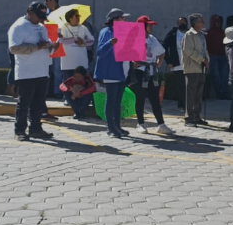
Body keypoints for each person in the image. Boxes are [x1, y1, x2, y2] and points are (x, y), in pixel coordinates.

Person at [7, 2, 58, 141]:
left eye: (43, 17)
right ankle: (19, 130)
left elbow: (45, 46)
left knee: (38, 103)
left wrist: (53, 47)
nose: (41, 20)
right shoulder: (18, 26)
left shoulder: (42, 27)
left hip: (42, 71)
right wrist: (36, 47)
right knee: (24, 103)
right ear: (29, 12)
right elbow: (14, 48)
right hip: (27, 72)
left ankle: (36, 128)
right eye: (39, 16)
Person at [131, 16, 173, 135]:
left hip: (151, 72)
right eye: (149, 25)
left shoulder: (152, 39)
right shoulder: (134, 39)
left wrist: (159, 62)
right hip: (140, 71)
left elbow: (162, 51)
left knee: (155, 98)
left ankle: (161, 124)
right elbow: (126, 53)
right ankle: (140, 124)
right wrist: (132, 62)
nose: (151, 27)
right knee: (140, 97)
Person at [95, 8, 129, 139]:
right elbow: (100, 52)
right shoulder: (106, 32)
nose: (125, 20)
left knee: (118, 100)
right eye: (122, 18)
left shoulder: (124, 31)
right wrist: (110, 43)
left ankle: (117, 126)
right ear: (114, 20)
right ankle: (110, 127)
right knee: (111, 100)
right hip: (111, 70)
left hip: (122, 70)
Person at [181, 13, 209, 126]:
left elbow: (205, 50)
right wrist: (202, 59)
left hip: (201, 68)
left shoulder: (201, 35)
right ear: (195, 23)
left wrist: (207, 60)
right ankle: (189, 118)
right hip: (192, 68)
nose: (203, 23)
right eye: (201, 21)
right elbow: (188, 50)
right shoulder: (189, 35)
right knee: (191, 94)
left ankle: (197, 116)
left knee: (199, 94)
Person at [58, 9, 95, 78]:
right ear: (70, 18)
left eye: (79, 16)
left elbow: (92, 40)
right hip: (68, 65)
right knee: (68, 84)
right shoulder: (64, 28)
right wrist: (75, 39)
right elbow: (62, 41)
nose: (79, 18)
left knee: (83, 83)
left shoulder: (83, 28)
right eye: (76, 16)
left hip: (81, 64)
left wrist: (83, 43)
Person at [162, 17, 188, 110]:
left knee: (188, 85)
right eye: (180, 22)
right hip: (177, 64)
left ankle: (186, 104)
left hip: (189, 64)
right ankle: (182, 105)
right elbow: (163, 47)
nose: (182, 24)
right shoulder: (173, 33)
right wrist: (168, 61)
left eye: (184, 22)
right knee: (181, 85)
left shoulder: (190, 33)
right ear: (177, 24)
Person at [206, 14, 231, 100]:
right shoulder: (209, 33)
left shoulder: (223, 33)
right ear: (213, 22)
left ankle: (226, 93)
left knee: (225, 76)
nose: (219, 23)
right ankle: (219, 93)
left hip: (223, 56)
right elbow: (205, 45)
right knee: (216, 76)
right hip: (213, 57)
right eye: (217, 21)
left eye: (220, 21)